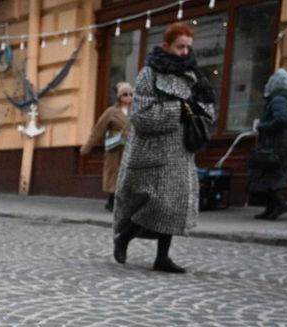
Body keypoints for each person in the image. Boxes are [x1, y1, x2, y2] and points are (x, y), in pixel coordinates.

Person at [112, 22, 216, 274]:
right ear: (166, 46)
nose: (184, 52)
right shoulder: (149, 73)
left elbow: (208, 108)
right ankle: (124, 237)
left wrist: (199, 114)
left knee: (173, 207)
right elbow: (141, 116)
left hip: (181, 152)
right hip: (151, 151)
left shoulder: (193, 76)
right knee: (152, 204)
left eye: (187, 47)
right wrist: (178, 109)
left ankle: (162, 257)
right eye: (179, 46)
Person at [249, 69, 287, 221]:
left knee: (269, 177)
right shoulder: (285, 100)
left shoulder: (278, 100)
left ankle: (280, 204)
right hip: (282, 144)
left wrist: (261, 126)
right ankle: (270, 209)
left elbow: (281, 119)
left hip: (277, 145)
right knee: (270, 177)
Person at [81, 82, 133, 211]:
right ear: (119, 97)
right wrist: (87, 147)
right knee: (114, 174)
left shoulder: (136, 111)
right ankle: (111, 202)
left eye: (131, 94)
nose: (128, 97)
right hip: (115, 148)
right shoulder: (111, 112)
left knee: (128, 174)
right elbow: (98, 130)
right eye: (125, 94)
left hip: (130, 148)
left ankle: (123, 203)